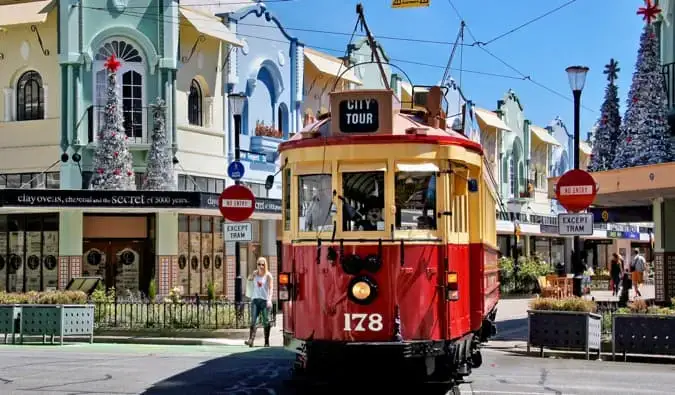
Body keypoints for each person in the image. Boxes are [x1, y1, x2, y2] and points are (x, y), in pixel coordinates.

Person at [244, 257, 274, 347]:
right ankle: (251, 340)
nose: (261, 266)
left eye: (263, 264)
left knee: (266, 321)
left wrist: (269, 299)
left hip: (264, 301)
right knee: (253, 320)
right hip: (255, 300)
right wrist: (251, 276)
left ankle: (266, 342)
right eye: (259, 264)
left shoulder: (268, 275)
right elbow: (248, 281)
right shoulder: (255, 274)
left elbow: (271, 288)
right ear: (257, 265)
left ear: (265, 265)